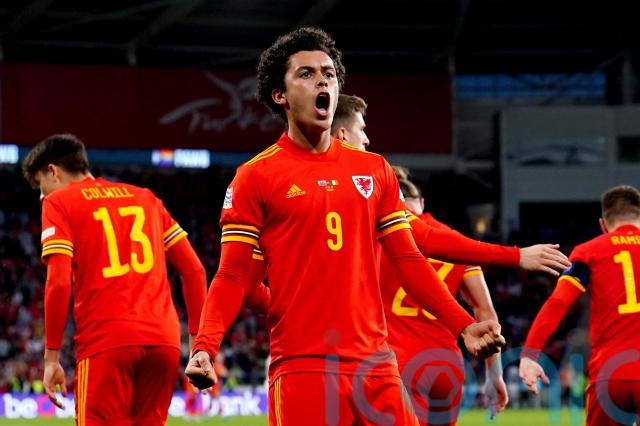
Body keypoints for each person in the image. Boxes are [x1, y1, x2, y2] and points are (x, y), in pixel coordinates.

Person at [186, 27, 506, 425]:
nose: (322, 81)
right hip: (303, 367)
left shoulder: (374, 170)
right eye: (306, 74)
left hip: (376, 366)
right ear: (280, 95)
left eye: (329, 74)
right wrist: (205, 345)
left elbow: (409, 259)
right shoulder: (255, 177)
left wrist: (461, 325)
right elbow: (233, 275)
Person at [22, 134, 207, 425]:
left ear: (53, 171)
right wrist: (198, 344)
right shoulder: (146, 198)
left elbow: (58, 283)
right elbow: (195, 270)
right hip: (164, 341)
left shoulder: (59, 202)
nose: (41, 196)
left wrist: (51, 358)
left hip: (107, 341)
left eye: (40, 185)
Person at [331, 93, 571, 275]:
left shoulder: (371, 181)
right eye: (361, 129)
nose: (367, 139)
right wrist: (515, 255)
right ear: (342, 134)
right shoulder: (371, 183)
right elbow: (428, 242)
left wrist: (462, 322)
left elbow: (424, 260)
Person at [380, 167, 507, 425]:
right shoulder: (454, 241)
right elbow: (485, 310)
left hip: (399, 362)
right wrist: (495, 375)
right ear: (421, 202)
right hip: (446, 365)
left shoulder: (379, 238)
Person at [519, 185, 640, 426]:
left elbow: (558, 303)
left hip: (609, 375)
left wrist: (529, 355)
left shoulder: (589, 252)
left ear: (603, 224)